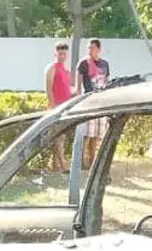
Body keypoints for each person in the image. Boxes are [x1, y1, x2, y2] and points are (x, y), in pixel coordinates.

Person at [75, 38, 111, 168]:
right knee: (87, 133)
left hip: (101, 102)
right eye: (88, 48)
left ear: (99, 49)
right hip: (89, 102)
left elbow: (107, 82)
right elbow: (78, 85)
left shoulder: (105, 64)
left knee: (97, 134)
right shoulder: (83, 63)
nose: (90, 50)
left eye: (92, 48)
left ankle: (92, 161)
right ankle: (81, 161)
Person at [44, 41, 74, 172]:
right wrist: (53, 106)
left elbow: (67, 89)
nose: (62, 56)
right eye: (60, 53)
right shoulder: (52, 68)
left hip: (66, 107)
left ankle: (55, 164)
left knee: (61, 136)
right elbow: (48, 88)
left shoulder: (66, 71)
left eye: (64, 54)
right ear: (55, 53)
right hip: (56, 107)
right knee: (58, 137)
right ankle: (63, 165)